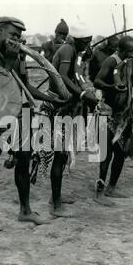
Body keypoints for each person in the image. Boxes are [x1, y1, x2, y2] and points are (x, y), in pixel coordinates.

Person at [0, 17, 49, 231]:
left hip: (18, 116)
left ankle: (25, 211)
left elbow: (24, 87)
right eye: (12, 35)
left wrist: (51, 98)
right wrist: (9, 59)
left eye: (19, 36)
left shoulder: (16, 55)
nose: (17, 39)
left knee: (24, 160)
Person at [46, 21, 99, 216]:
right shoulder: (68, 50)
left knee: (64, 154)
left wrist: (86, 90)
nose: (88, 44)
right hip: (60, 108)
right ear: (79, 39)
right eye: (86, 41)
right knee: (60, 156)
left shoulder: (75, 52)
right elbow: (62, 77)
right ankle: (56, 206)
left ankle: (55, 197)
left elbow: (77, 76)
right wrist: (84, 95)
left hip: (68, 107)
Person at [93, 36, 133, 205]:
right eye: (132, 50)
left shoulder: (130, 62)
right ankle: (99, 193)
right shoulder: (111, 61)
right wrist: (111, 87)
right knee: (106, 154)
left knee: (120, 152)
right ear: (121, 50)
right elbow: (97, 81)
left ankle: (111, 188)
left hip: (124, 113)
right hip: (107, 111)